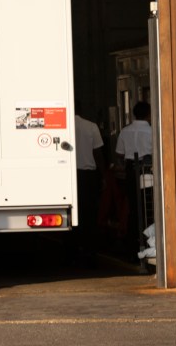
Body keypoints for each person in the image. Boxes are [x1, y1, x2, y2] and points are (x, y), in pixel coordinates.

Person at [115, 101, 153, 258]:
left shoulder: (125, 131)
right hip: (148, 171)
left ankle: (131, 243)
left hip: (131, 170)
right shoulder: (152, 131)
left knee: (133, 205)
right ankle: (147, 240)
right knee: (148, 205)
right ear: (149, 114)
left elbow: (119, 153)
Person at [73, 104, 105, 267]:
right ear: (81, 110)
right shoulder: (91, 126)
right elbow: (97, 153)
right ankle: (90, 249)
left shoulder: (64, 126)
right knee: (89, 212)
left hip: (71, 176)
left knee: (73, 212)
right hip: (89, 175)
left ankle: (72, 248)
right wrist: (104, 173)